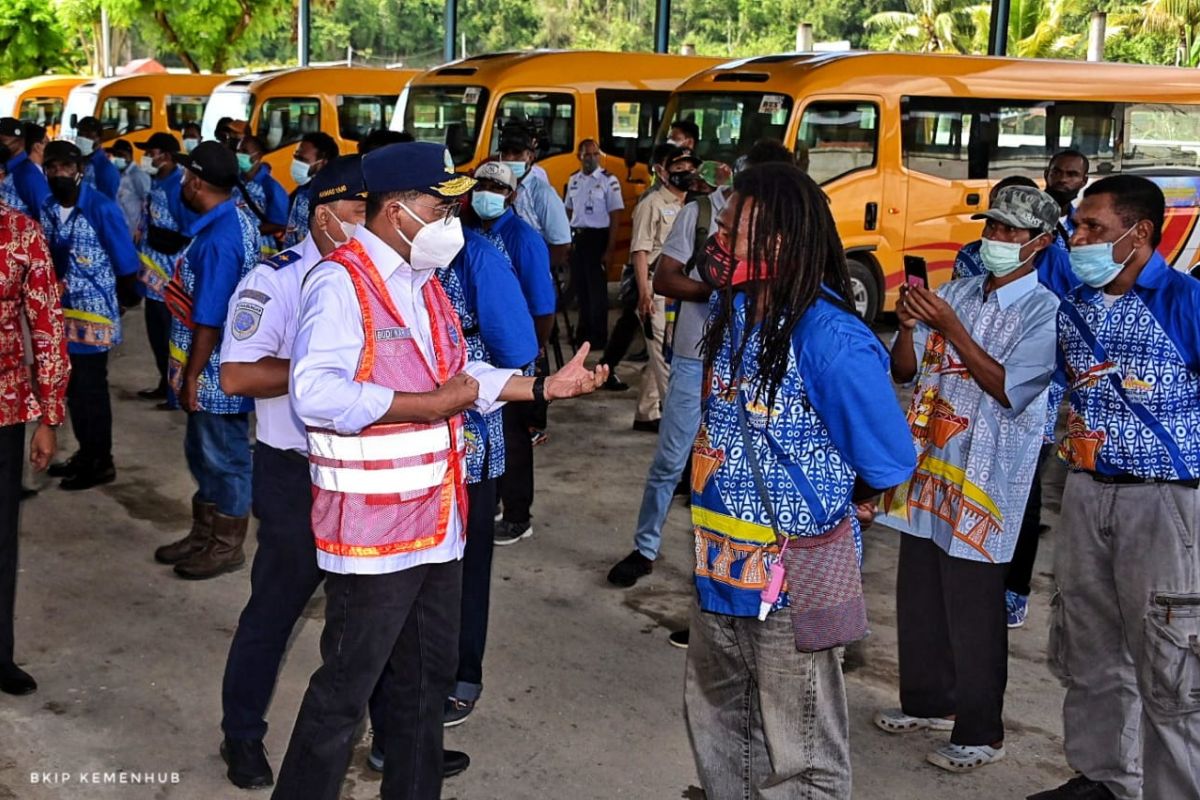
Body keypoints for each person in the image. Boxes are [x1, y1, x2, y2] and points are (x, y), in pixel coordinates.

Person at [272, 141, 606, 800]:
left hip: (438, 527)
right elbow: (315, 393)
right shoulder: (341, 283)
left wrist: (538, 389)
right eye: (440, 203)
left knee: (423, 693)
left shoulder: (425, 284)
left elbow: (461, 374)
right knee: (344, 695)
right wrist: (429, 405)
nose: (451, 216)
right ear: (396, 211)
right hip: (373, 539)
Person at [685, 164, 915, 799]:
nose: (718, 239)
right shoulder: (735, 311)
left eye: (732, 229)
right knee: (723, 727)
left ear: (780, 243)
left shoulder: (831, 336)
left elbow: (890, 461)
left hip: (793, 584)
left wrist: (844, 504)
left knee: (802, 753)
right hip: (718, 570)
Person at [876, 186, 1061, 773]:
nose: (997, 240)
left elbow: (1009, 388)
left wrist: (951, 326)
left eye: (1011, 232)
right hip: (932, 467)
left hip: (989, 476)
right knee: (921, 589)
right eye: (994, 228)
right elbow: (905, 372)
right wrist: (907, 326)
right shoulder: (954, 290)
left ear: (1041, 243)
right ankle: (929, 701)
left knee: (974, 602)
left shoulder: (1045, 311)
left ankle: (982, 730)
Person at [1029, 175, 1200, 800]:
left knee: (1170, 659)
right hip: (1084, 491)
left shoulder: (1186, 302)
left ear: (1140, 233)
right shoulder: (1076, 303)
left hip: (1166, 503)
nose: (1078, 239)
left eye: (1093, 229)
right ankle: (1104, 779)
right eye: (1078, 227)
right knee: (1089, 644)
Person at [217, 156, 375, 790]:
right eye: (361, 213)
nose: (369, 225)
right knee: (275, 610)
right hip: (294, 472)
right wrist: (319, 371)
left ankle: (377, 738)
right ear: (325, 213)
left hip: (362, 473)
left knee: (364, 617)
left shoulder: (380, 277)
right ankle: (241, 736)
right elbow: (237, 375)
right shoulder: (276, 279)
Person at [607, 140, 792, 593]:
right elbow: (665, 277)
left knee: (741, 467)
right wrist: (727, 292)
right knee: (672, 458)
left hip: (756, 361)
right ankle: (645, 547)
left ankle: (725, 569)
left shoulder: (789, 224)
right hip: (697, 354)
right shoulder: (703, 214)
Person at [426, 161, 538, 728]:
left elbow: (517, 348)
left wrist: (460, 373)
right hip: (402, 443)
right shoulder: (384, 264)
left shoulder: (477, 258)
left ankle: (459, 676)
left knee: (464, 566)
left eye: (447, 206)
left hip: (467, 440)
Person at [152, 142, 259, 580]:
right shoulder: (226, 220)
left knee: (224, 456)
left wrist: (192, 376)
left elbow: (210, 317)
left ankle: (225, 545)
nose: (181, 183)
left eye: (183, 176)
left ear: (195, 183)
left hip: (216, 369)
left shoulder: (221, 238)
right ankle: (204, 532)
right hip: (211, 365)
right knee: (202, 451)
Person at [39, 141, 140, 491]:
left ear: (79, 170)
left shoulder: (100, 207)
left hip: (94, 319)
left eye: (65, 168)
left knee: (91, 390)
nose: (58, 174)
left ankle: (101, 461)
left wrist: (124, 301)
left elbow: (127, 262)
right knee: (73, 390)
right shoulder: (49, 207)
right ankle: (85, 452)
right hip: (62, 317)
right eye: (51, 168)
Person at [465, 162, 555, 548]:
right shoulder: (473, 230)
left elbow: (542, 307)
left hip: (513, 357)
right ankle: (496, 503)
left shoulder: (523, 238)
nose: (487, 192)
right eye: (481, 185)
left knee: (515, 438)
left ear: (513, 194)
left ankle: (519, 515)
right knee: (490, 434)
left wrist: (528, 362)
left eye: (496, 187)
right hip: (480, 357)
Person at [0, 200, 69, 696]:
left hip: (2, 409)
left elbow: (47, 328)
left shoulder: (20, 232)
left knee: (1, 540)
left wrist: (49, 416)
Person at [602, 144, 699, 432]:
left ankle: (646, 413)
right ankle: (678, 424)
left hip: (680, 290)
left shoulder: (689, 204)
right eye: (678, 168)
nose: (686, 173)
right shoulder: (652, 203)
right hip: (657, 293)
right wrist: (645, 294)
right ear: (661, 171)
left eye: (689, 168)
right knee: (668, 359)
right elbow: (640, 251)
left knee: (659, 355)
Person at [135, 132, 194, 405]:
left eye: (152, 152)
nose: (147, 157)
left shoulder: (177, 185)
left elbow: (187, 229)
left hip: (169, 277)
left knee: (170, 336)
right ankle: (164, 382)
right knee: (156, 336)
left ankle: (175, 391)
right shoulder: (157, 181)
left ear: (167, 156)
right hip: (152, 274)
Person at [564, 139, 623, 349]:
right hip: (579, 238)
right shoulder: (573, 180)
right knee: (581, 289)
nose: (591, 158)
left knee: (597, 292)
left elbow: (615, 216)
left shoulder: (609, 180)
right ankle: (583, 334)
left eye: (595, 154)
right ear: (579, 156)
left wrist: (610, 249)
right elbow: (568, 209)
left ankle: (598, 337)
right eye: (587, 154)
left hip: (599, 239)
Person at [953, 176, 1039, 279]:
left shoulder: (1054, 263)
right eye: (991, 225)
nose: (993, 236)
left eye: (1010, 228)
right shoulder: (969, 254)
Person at [234, 134, 289, 257]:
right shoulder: (235, 181)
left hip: (260, 249)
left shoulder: (270, 187)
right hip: (236, 245)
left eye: (244, 151)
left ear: (257, 156)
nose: (239, 155)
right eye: (238, 151)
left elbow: (280, 223)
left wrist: (250, 231)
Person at [283, 132, 338, 248]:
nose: (296, 163)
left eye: (302, 159)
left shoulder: (336, 200)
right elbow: (291, 236)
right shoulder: (301, 193)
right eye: (296, 157)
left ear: (322, 163)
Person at [0, 121, 50, 215]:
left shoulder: (28, 174)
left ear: (20, 141)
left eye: (2, 141)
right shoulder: (6, 167)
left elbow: (45, 214)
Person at [1045, 149, 1089, 251]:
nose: (1062, 179)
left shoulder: (1083, 224)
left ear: (1084, 181)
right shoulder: (1025, 217)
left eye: (1072, 174)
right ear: (1046, 174)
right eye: (1056, 172)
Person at [108, 139, 151, 236]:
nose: (117, 158)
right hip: (118, 227)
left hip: (133, 231)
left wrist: (140, 228)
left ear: (130, 155)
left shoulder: (138, 175)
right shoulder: (117, 173)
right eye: (115, 155)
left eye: (121, 155)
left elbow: (147, 203)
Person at [73, 117, 121, 200]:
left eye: (88, 136)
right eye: (80, 134)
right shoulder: (76, 162)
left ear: (100, 139)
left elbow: (107, 204)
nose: (83, 139)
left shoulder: (106, 169)